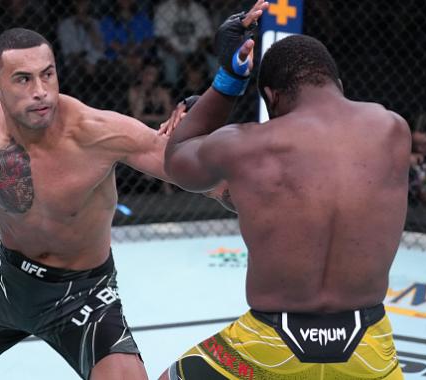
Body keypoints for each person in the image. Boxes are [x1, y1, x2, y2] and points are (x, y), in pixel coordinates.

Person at [0, 27, 187, 380]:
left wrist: (213, 115)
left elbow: (212, 182)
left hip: (85, 294)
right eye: (22, 79)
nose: (41, 92)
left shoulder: (99, 132)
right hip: (4, 284)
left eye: (47, 74)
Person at [160, 2, 409, 378]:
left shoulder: (247, 146)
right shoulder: (393, 130)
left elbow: (177, 160)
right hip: (367, 348)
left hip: (270, 346)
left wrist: (227, 81)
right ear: (337, 85)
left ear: (271, 98)